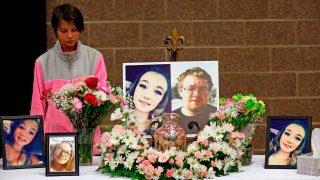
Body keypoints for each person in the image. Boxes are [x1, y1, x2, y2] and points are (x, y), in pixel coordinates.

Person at [30, 3, 107, 155]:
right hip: (55, 142)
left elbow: (101, 99)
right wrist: (37, 146)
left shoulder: (95, 58)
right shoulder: (42, 62)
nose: (70, 36)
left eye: (74, 30)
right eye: (64, 31)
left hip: (87, 141)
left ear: (81, 29)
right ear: (56, 31)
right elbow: (37, 107)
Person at [127, 66, 170, 134]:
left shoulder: (161, 132)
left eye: (157, 92)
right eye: (143, 86)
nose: (147, 96)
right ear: (135, 87)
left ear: (162, 99)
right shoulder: (118, 118)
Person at [173, 67, 217, 134]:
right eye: (190, 89)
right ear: (180, 91)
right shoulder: (170, 120)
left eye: (203, 89)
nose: (196, 94)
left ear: (210, 92)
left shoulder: (219, 115)